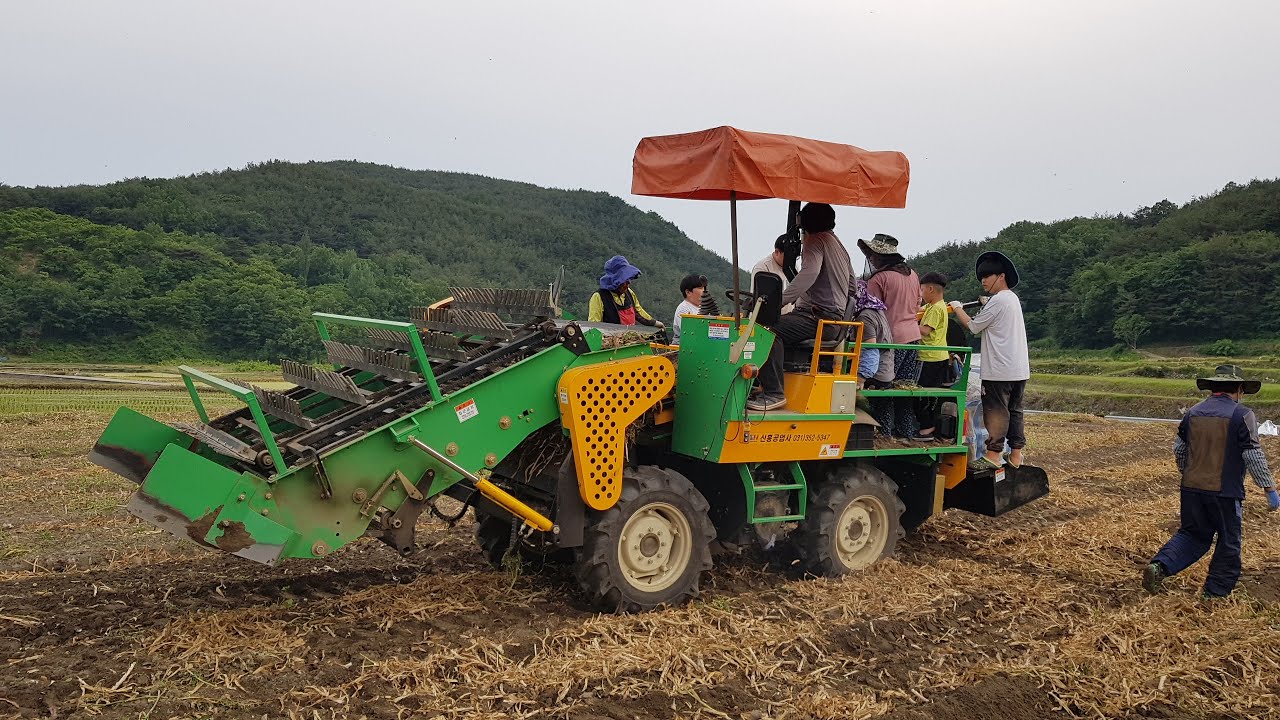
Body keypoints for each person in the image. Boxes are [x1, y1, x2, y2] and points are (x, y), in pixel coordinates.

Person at [1142, 365, 1278, 600]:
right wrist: (1269, 488)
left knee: (1192, 534)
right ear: (1238, 389)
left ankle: (1160, 566)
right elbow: (1252, 455)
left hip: (1192, 489)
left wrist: (1188, 472)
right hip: (1224, 492)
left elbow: (1180, 449)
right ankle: (1214, 593)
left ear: (1212, 388)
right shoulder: (1242, 414)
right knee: (1229, 542)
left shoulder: (1193, 413)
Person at [748, 203, 852, 411]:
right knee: (778, 326)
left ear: (804, 223)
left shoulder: (814, 240)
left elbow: (808, 275)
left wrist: (779, 301)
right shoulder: (838, 245)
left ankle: (774, 393)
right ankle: (768, 384)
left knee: (765, 330)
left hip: (816, 317)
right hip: (835, 320)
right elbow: (853, 286)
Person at [949, 251, 1029, 469]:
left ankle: (993, 455)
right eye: (982, 277)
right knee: (1015, 410)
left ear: (1001, 276)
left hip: (999, 370)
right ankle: (1015, 455)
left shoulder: (998, 301)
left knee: (996, 411)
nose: (983, 281)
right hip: (1019, 369)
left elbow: (974, 326)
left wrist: (957, 308)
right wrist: (986, 304)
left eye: (987, 276)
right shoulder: (1012, 299)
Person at [860, 234, 922, 438]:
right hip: (914, 338)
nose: (870, 258)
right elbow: (917, 305)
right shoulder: (913, 275)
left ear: (880, 257)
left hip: (891, 340)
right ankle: (906, 434)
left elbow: (871, 309)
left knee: (883, 389)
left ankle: (883, 434)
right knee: (905, 391)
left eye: (872, 255)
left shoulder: (879, 279)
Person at [914, 271, 950, 441]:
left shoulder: (935, 309)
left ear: (930, 289)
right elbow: (920, 310)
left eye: (921, 290)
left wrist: (906, 323)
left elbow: (925, 330)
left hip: (931, 357)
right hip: (936, 356)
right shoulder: (933, 306)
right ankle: (927, 425)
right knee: (925, 394)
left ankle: (927, 427)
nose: (920, 294)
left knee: (923, 395)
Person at [588, 255, 663, 329]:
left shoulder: (629, 293)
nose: (628, 284)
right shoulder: (599, 297)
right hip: (609, 339)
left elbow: (638, 312)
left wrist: (655, 323)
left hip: (629, 338)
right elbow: (594, 326)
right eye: (625, 281)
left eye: (629, 280)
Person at [850, 278, 894, 389]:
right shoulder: (876, 309)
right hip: (886, 372)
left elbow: (871, 349)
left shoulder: (864, 317)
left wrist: (860, 379)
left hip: (875, 375)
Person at [752, 234, 794, 315]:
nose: (791, 260)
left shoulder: (793, 267)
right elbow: (762, 301)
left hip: (789, 317)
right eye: (788, 257)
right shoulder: (763, 268)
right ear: (777, 252)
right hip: (767, 319)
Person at [671, 273, 706, 344]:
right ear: (688, 292)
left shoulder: (704, 308)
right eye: (700, 288)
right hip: (682, 348)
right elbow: (690, 333)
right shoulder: (683, 308)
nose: (704, 291)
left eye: (704, 288)